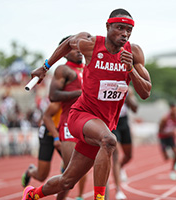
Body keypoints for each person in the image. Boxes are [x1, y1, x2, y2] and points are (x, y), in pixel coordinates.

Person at [22, 8, 152, 200]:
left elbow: (146, 92)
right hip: (81, 115)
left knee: (68, 180)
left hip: (103, 124)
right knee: (109, 141)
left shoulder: (134, 53)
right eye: (119, 28)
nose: (124, 34)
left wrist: (130, 69)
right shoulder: (92, 44)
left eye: (128, 30)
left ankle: (32, 194)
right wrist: (44, 68)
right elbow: (68, 43)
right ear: (108, 26)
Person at [47, 36, 87, 200]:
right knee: (70, 176)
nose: (78, 50)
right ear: (64, 53)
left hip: (88, 123)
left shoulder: (88, 68)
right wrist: (79, 93)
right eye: (72, 47)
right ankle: (36, 194)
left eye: (79, 46)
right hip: (69, 124)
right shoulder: (63, 70)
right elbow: (53, 95)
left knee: (102, 165)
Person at [21, 102, 62, 187]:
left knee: (76, 167)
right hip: (48, 132)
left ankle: (79, 196)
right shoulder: (60, 99)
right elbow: (46, 117)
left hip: (63, 131)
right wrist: (56, 137)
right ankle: (30, 171)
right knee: (42, 176)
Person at [111, 86, 138, 199]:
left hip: (123, 122)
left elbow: (135, 109)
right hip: (112, 121)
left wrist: (127, 96)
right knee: (115, 156)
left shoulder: (128, 89)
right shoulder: (108, 84)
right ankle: (118, 190)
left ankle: (121, 167)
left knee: (128, 155)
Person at [158, 103, 176, 180]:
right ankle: (167, 152)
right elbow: (160, 131)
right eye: (174, 110)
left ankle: (173, 171)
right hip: (163, 138)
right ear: (171, 109)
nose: (175, 112)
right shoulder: (165, 118)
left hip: (171, 137)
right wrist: (170, 132)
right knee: (166, 158)